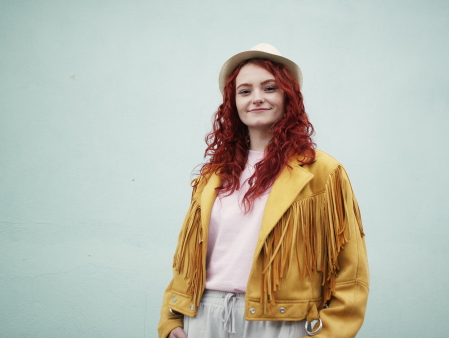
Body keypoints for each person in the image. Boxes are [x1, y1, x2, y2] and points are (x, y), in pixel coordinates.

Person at [158, 43, 369, 338]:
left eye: (269, 88)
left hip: (278, 322)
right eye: (245, 91)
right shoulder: (212, 175)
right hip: (204, 316)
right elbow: (187, 257)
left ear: (288, 97)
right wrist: (171, 319)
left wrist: (330, 333)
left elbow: (351, 269)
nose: (256, 98)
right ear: (233, 103)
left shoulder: (322, 172)